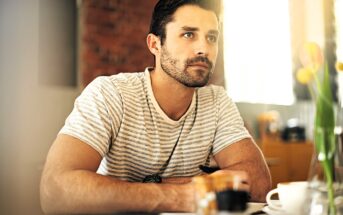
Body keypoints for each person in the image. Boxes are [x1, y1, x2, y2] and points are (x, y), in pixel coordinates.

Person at [40, 0, 271, 213]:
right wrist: (182, 196)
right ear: (155, 44)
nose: (204, 49)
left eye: (211, 37)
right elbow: (55, 191)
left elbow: (259, 185)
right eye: (188, 34)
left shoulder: (217, 102)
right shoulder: (110, 94)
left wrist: (153, 185)